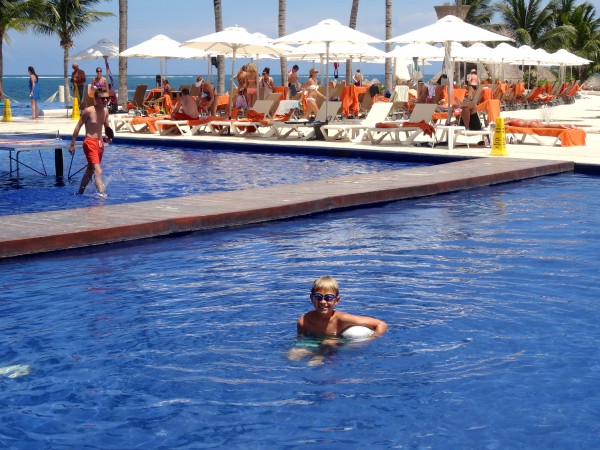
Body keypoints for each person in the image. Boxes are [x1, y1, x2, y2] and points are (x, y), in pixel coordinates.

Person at [288, 276, 387, 366]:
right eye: (318, 297)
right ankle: (316, 354)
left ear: (337, 300)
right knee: (292, 356)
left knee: (327, 342)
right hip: (316, 342)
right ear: (311, 298)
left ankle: (319, 356)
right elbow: (302, 340)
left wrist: (368, 341)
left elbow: (381, 324)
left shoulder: (342, 319)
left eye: (328, 298)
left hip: (340, 343)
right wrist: (303, 350)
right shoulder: (304, 321)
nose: (323, 302)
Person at [68, 88, 113, 196]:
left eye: (107, 98)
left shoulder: (106, 111)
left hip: (100, 143)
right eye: (103, 98)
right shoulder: (88, 111)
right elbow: (78, 127)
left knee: (90, 170)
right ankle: (102, 195)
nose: (105, 100)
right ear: (96, 99)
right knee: (98, 171)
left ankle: (80, 193)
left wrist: (109, 136)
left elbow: (106, 125)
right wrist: (72, 144)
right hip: (89, 142)